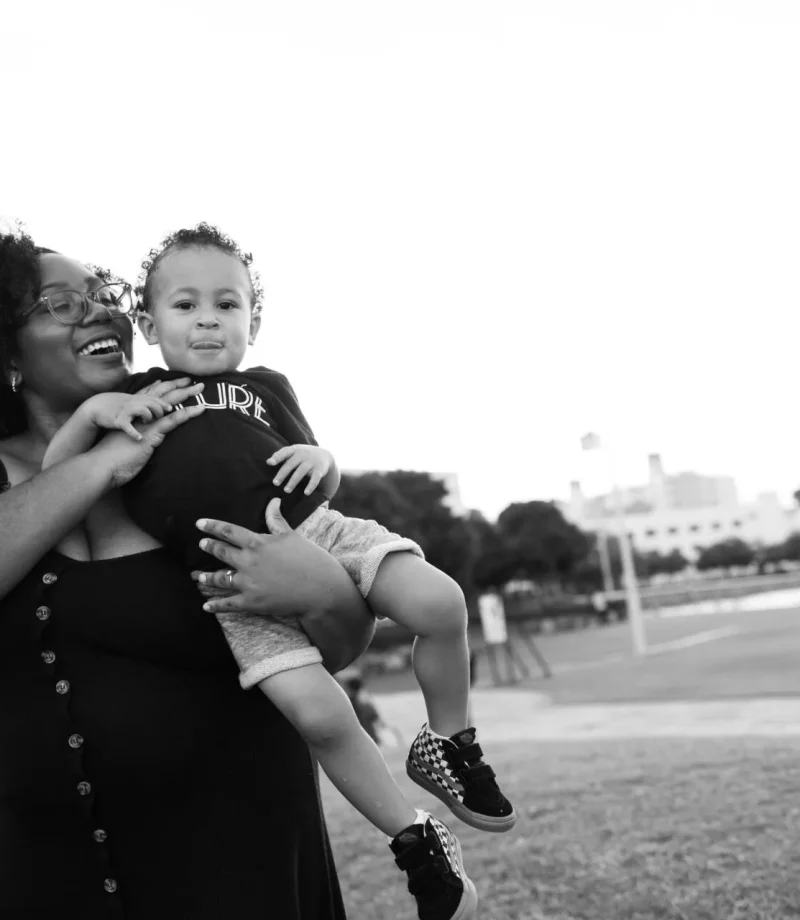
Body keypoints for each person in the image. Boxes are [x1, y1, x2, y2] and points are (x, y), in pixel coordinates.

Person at [46, 224, 501, 920]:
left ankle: (447, 741)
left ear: (252, 320)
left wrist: (327, 464)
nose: (207, 320)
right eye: (185, 305)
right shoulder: (134, 398)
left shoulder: (264, 385)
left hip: (319, 531)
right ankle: (416, 843)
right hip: (227, 587)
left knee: (440, 603)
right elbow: (58, 480)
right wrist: (91, 415)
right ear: (148, 320)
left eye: (227, 306)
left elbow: (313, 457)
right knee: (320, 716)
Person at [0, 228, 379, 919]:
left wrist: (325, 589)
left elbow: (342, 643)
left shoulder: (210, 444)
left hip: (251, 860)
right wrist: (100, 463)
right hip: (55, 872)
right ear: (7, 352)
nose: (99, 312)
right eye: (59, 303)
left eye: (104, 295)